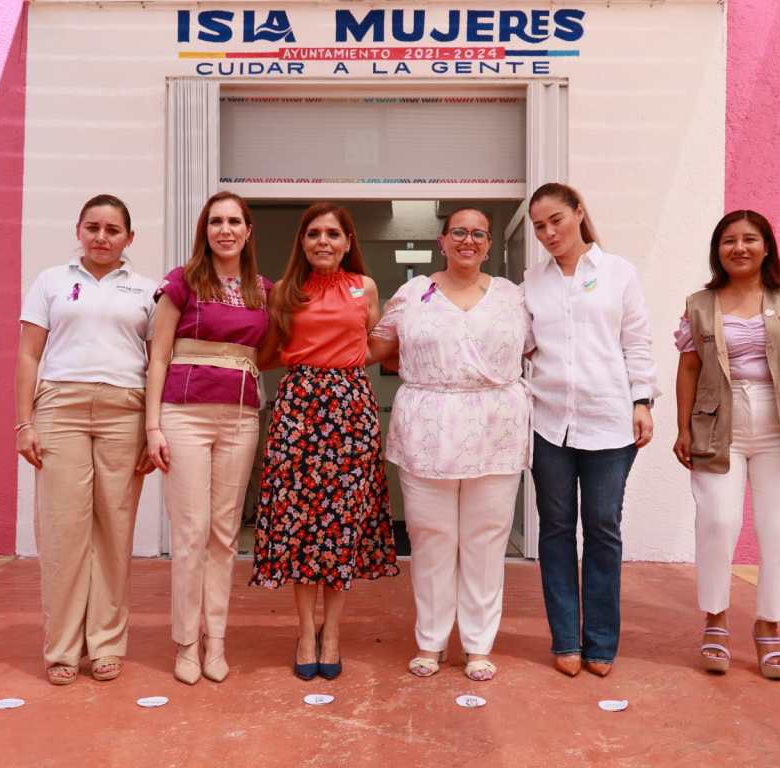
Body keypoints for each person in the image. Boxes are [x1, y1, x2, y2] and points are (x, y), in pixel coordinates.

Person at [368, 207, 531, 682]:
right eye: (458, 232)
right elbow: (377, 347)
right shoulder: (412, 293)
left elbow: (540, 349)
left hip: (495, 429)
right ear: (442, 241)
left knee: (486, 539)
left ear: (489, 244)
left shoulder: (512, 297)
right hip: (427, 428)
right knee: (431, 538)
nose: (468, 240)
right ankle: (431, 640)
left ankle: (478, 645)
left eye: (478, 234)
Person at [673, 209, 780, 680]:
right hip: (717, 422)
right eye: (729, 240)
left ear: (766, 247)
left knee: (779, 528)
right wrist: (682, 429)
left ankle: (769, 626)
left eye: (749, 239)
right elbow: (688, 368)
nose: (739, 248)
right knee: (717, 522)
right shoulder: (700, 304)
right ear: (717, 251)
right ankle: (715, 619)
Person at [251, 202, 399, 681]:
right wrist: (307, 358)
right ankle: (304, 632)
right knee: (300, 523)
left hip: (351, 409)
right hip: (299, 408)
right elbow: (268, 353)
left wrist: (345, 360)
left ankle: (331, 632)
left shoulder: (365, 287)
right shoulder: (284, 291)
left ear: (348, 241)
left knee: (341, 525)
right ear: (303, 241)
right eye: (314, 233)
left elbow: (376, 343)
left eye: (333, 234)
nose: (323, 241)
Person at [15, 194, 155, 685]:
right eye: (92, 227)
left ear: (129, 238)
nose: (101, 237)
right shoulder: (51, 281)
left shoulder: (148, 290)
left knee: (114, 531)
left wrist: (152, 429)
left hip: (125, 411)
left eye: (112, 230)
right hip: (60, 409)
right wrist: (24, 423)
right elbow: (29, 355)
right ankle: (62, 648)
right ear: (78, 231)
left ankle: (106, 644)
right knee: (63, 531)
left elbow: (157, 362)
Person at [523, 182, 659, 678]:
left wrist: (642, 401)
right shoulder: (531, 282)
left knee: (603, 528)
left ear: (579, 212)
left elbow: (636, 341)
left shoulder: (619, 273)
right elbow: (522, 343)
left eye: (556, 220)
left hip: (609, 422)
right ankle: (565, 639)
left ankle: (600, 642)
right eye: (539, 226)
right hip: (549, 423)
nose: (548, 232)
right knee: (556, 529)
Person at [145, 192, 272, 685]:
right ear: (205, 229)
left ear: (248, 231)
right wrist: (152, 427)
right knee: (190, 532)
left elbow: (270, 350)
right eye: (216, 221)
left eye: (234, 221)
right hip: (184, 415)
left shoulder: (263, 290)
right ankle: (185, 642)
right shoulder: (182, 281)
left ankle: (215, 639)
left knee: (224, 533)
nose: (225, 230)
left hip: (240, 417)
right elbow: (158, 356)